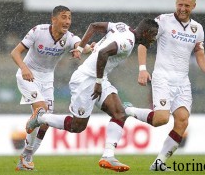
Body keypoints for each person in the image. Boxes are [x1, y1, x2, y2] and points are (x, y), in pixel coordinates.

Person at [26, 18, 158, 172]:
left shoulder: (122, 27)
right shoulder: (127, 42)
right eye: (153, 35)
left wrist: (81, 48)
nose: (154, 39)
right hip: (86, 80)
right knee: (77, 126)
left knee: (119, 113)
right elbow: (103, 53)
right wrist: (99, 82)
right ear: (146, 32)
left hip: (97, 78)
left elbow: (94, 26)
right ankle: (41, 118)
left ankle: (108, 157)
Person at [123, 0, 205, 171]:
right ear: (176, 3)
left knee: (183, 121)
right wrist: (142, 69)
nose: (182, 9)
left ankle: (159, 163)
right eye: (179, 4)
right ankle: (128, 110)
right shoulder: (163, 21)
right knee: (161, 119)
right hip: (163, 77)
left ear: (194, 7)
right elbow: (143, 43)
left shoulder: (197, 28)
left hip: (182, 81)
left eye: (186, 6)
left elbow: (200, 54)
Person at [10, 5, 92, 171]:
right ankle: (27, 154)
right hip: (28, 75)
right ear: (53, 19)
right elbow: (15, 52)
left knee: (45, 123)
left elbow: (81, 45)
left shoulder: (68, 38)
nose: (67, 21)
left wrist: (86, 48)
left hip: (47, 79)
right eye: (63, 17)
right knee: (41, 110)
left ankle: (26, 156)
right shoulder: (37, 31)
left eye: (69, 17)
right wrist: (24, 68)